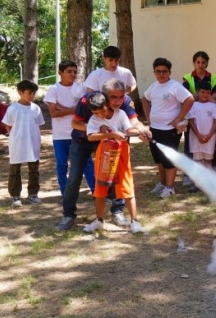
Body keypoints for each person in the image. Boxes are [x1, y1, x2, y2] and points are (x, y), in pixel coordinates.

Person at [56, 79, 151, 231]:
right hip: (83, 140)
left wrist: (143, 130)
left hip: (112, 145)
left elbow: (133, 123)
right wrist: (96, 128)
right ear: (104, 96)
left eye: (121, 97)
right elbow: (74, 123)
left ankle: (118, 211)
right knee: (74, 177)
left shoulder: (124, 102)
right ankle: (68, 215)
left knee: (115, 177)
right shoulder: (88, 101)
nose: (118, 101)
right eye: (113, 97)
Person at [83, 93, 142, 234]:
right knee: (100, 188)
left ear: (107, 105)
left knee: (126, 186)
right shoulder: (94, 118)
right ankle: (99, 221)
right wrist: (111, 135)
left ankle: (134, 221)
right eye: (95, 112)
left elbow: (129, 130)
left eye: (102, 110)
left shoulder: (120, 114)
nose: (100, 115)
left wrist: (140, 132)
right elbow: (90, 136)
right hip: (104, 154)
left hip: (121, 153)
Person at [142, 57, 195, 198]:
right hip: (154, 128)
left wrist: (179, 118)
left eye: (164, 71)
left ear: (169, 72)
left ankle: (170, 188)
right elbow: (145, 98)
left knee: (168, 159)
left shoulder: (175, 86)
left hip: (169, 130)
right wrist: (148, 115)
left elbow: (189, 99)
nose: (161, 74)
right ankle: (163, 183)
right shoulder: (153, 86)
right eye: (158, 71)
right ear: (154, 72)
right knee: (159, 158)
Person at [45, 60, 93, 198]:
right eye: (69, 71)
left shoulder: (81, 89)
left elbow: (84, 110)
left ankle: (96, 190)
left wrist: (63, 108)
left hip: (78, 133)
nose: (72, 74)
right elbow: (53, 113)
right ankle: (66, 194)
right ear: (60, 73)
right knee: (62, 165)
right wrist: (73, 109)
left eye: (74, 72)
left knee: (87, 163)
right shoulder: (53, 89)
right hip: (60, 135)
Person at [1, 80, 45, 207]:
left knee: (34, 170)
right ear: (20, 92)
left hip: (33, 143)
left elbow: (38, 125)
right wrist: (17, 136)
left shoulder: (36, 108)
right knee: (15, 170)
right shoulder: (13, 108)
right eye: (29, 93)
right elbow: (8, 126)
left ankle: (33, 194)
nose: (32, 95)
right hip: (17, 144)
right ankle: (15, 196)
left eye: (33, 93)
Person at [181, 51, 216, 179]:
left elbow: (215, 95)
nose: (201, 65)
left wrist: (195, 96)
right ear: (194, 63)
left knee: (210, 149)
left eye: (203, 62)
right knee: (189, 145)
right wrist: (203, 97)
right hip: (192, 112)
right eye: (198, 62)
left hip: (207, 113)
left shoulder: (213, 78)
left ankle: (212, 174)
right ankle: (188, 175)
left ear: (207, 63)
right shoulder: (187, 77)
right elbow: (185, 95)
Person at [186, 82, 216, 192]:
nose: (205, 95)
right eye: (203, 92)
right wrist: (199, 136)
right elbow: (191, 122)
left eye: (208, 93)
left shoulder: (213, 106)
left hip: (210, 138)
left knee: (208, 161)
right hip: (196, 137)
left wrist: (209, 135)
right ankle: (197, 183)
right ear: (198, 92)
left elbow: (215, 122)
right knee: (198, 160)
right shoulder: (193, 105)